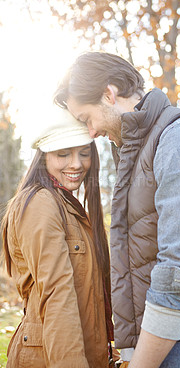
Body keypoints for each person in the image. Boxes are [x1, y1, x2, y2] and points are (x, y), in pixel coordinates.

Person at [54, 52, 180, 368]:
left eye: (87, 118)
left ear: (108, 94)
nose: (90, 132)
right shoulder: (138, 150)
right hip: (160, 344)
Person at [1, 105, 115, 368]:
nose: (76, 163)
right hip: (52, 358)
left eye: (84, 153)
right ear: (44, 157)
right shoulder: (40, 203)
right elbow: (57, 294)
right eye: (63, 153)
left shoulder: (70, 207)